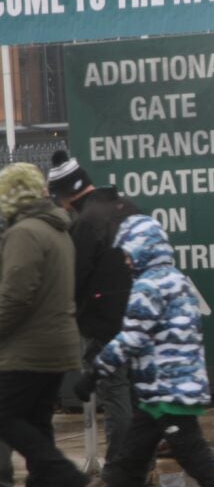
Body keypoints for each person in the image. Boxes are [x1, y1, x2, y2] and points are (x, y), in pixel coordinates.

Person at [73, 215, 214, 487]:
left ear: (143, 248)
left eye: (128, 253)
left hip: (166, 391)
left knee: (197, 459)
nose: (126, 261)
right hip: (162, 392)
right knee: (126, 464)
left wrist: (95, 372)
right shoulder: (176, 279)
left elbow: (132, 337)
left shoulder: (148, 286)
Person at [0, 163, 93, 487]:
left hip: (29, 348)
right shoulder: (57, 229)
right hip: (57, 345)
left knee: (6, 416)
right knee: (38, 422)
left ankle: (68, 478)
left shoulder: (24, 233)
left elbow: (15, 297)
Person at [46, 151, 141, 465]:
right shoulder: (128, 208)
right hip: (142, 316)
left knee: (116, 397)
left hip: (104, 325)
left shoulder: (86, 222)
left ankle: (120, 469)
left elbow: (76, 277)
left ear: (67, 196)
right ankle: (142, 462)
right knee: (139, 395)